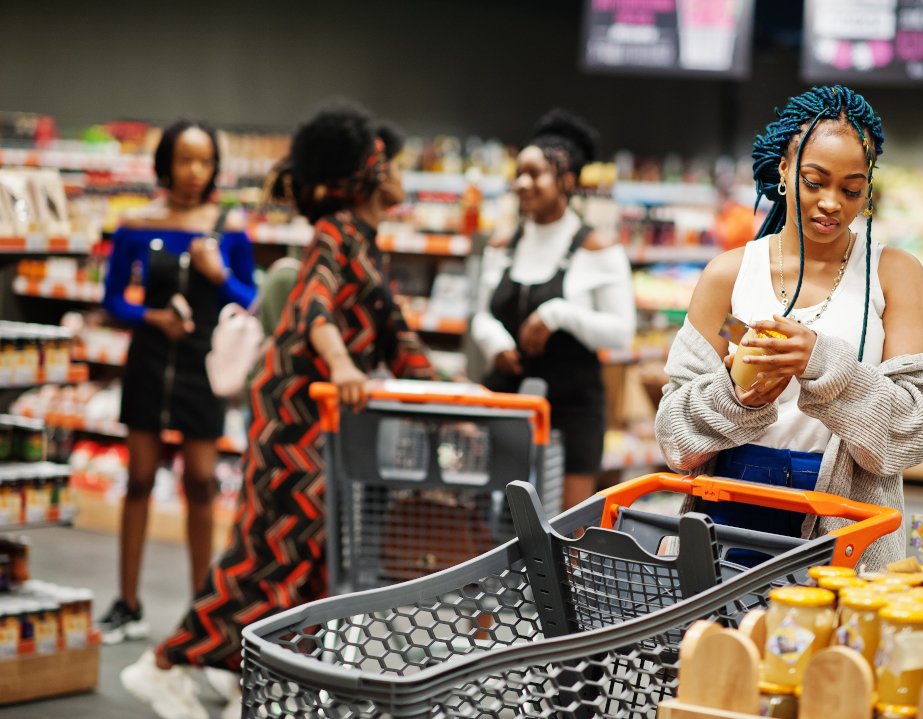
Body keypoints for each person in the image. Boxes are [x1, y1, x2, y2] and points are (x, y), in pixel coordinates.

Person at [121, 103, 435, 719]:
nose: (400, 171)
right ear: (364, 174)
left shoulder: (367, 245)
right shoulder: (335, 234)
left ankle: (259, 681)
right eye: (389, 160)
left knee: (312, 561)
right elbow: (314, 306)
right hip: (294, 418)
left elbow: (401, 342)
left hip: (322, 425)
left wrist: (463, 396)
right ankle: (165, 666)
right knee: (268, 556)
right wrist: (343, 364)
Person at [655, 85, 923, 569]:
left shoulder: (895, 276)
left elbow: (911, 435)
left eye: (852, 188)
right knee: (726, 642)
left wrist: (823, 364)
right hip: (728, 508)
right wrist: (736, 395)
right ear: (785, 171)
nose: (832, 203)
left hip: (847, 522)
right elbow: (673, 437)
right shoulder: (728, 276)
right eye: (815, 181)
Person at [99, 119, 256, 644]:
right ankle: (127, 602)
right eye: (185, 160)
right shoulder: (136, 224)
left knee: (200, 483)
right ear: (166, 164)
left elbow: (250, 298)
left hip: (201, 367)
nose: (195, 171)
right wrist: (151, 318)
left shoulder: (229, 227)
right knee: (139, 478)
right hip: (148, 361)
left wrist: (219, 276)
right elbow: (114, 297)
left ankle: (200, 614)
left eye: (205, 161)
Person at [471, 109, 635, 509]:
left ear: (566, 180)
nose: (522, 183)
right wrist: (494, 342)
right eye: (519, 173)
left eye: (535, 174)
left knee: (568, 531)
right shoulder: (502, 244)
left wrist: (558, 313)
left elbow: (621, 332)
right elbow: (480, 315)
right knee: (497, 526)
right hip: (506, 402)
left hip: (572, 411)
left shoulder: (599, 249)